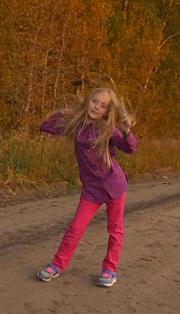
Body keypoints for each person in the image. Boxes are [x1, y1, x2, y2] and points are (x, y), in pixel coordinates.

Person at [37, 87, 137, 287]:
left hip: (115, 186)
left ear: (106, 111)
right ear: (87, 102)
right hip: (91, 191)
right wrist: (66, 112)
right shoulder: (76, 126)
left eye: (102, 105)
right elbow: (45, 126)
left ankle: (110, 270)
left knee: (115, 229)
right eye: (94, 101)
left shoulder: (107, 129)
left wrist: (127, 131)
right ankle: (57, 265)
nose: (96, 107)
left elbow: (130, 148)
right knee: (75, 228)